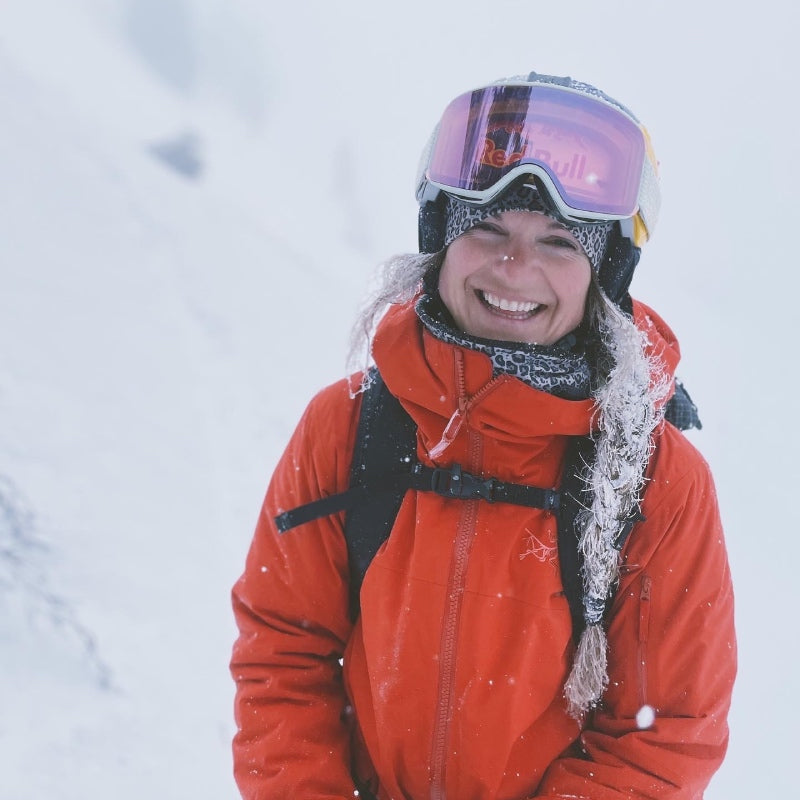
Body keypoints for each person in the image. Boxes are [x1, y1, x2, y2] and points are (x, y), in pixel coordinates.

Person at [230, 71, 736, 799]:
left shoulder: (658, 481)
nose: (515, 266)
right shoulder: (344, 428)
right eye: (488, 229)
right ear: (442, 237)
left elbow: (665, 735)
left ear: (605, 273)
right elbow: (283, 653)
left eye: (560, 243)